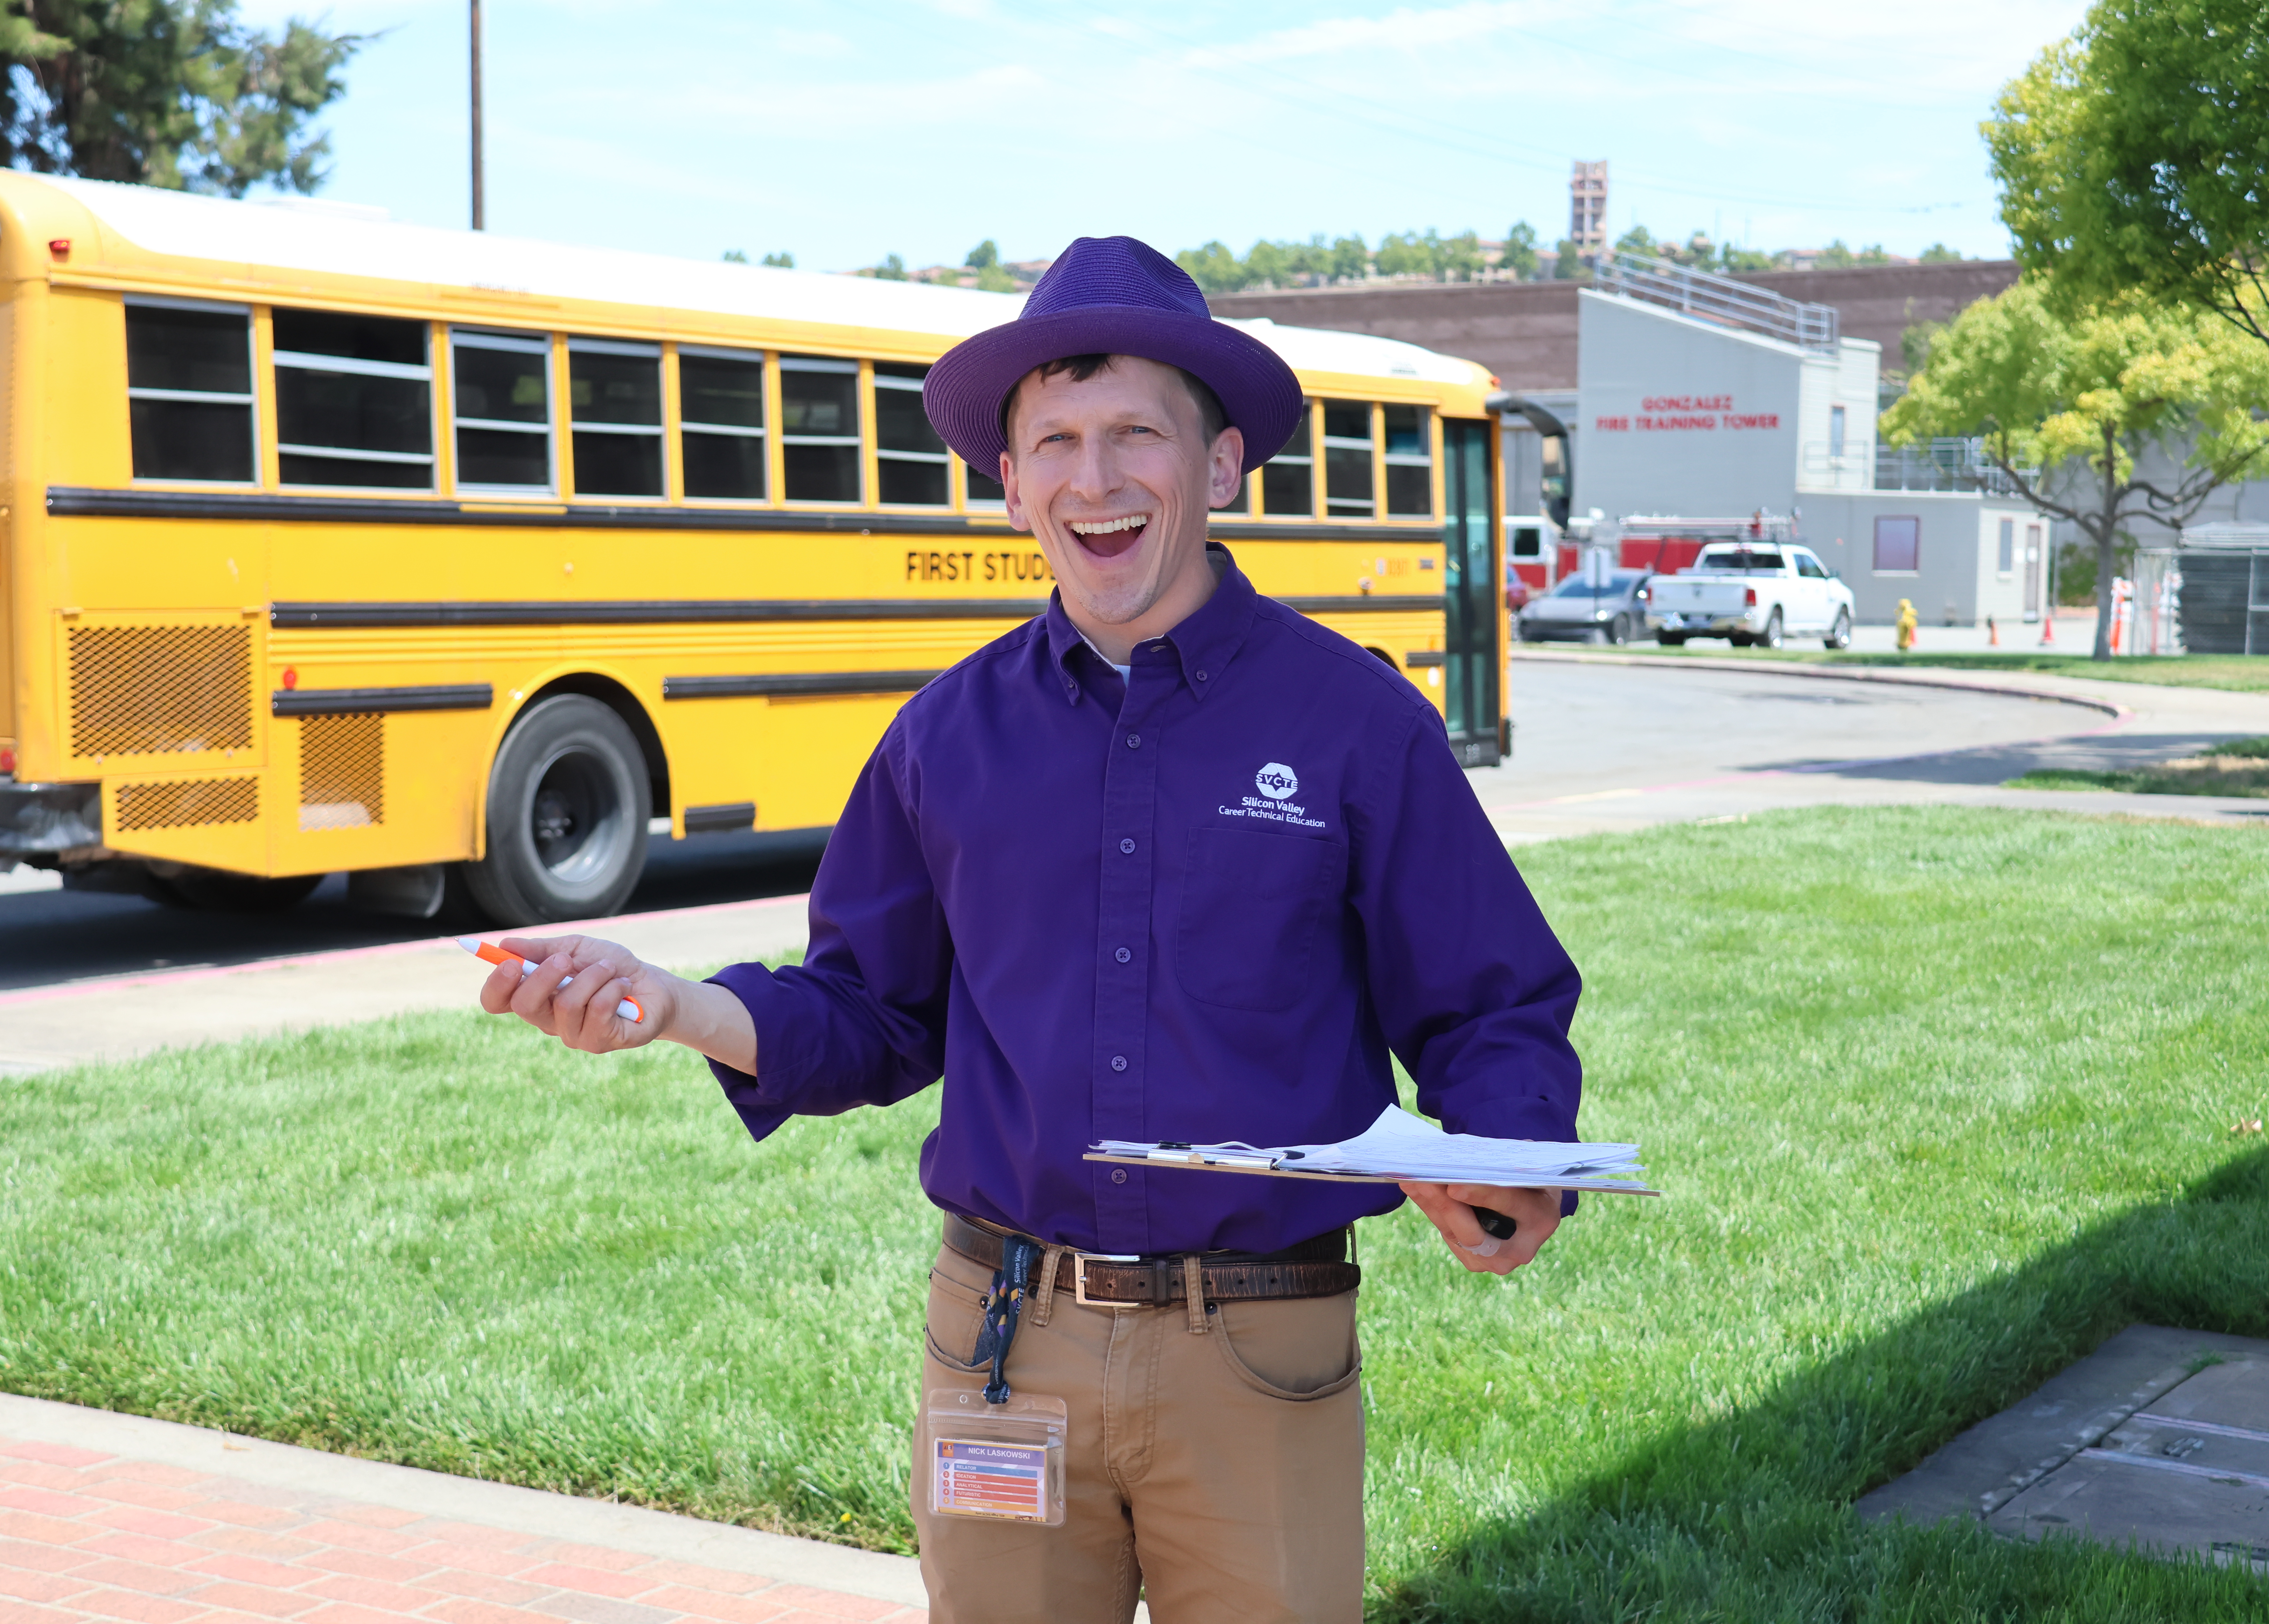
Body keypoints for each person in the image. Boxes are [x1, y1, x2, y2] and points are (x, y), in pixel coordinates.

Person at [479, 236, 1584, 1623]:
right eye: (1054, 439)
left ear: (1224, 463)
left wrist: (1507, 1152)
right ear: (1010, 484)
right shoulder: (945, 736)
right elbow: (870, 1011)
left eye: (1137, 433)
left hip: (1261, 1350)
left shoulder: (1356, 722)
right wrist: (673, 998)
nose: (1095, 476)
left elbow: (1491, 1001)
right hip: (1002, 1340)